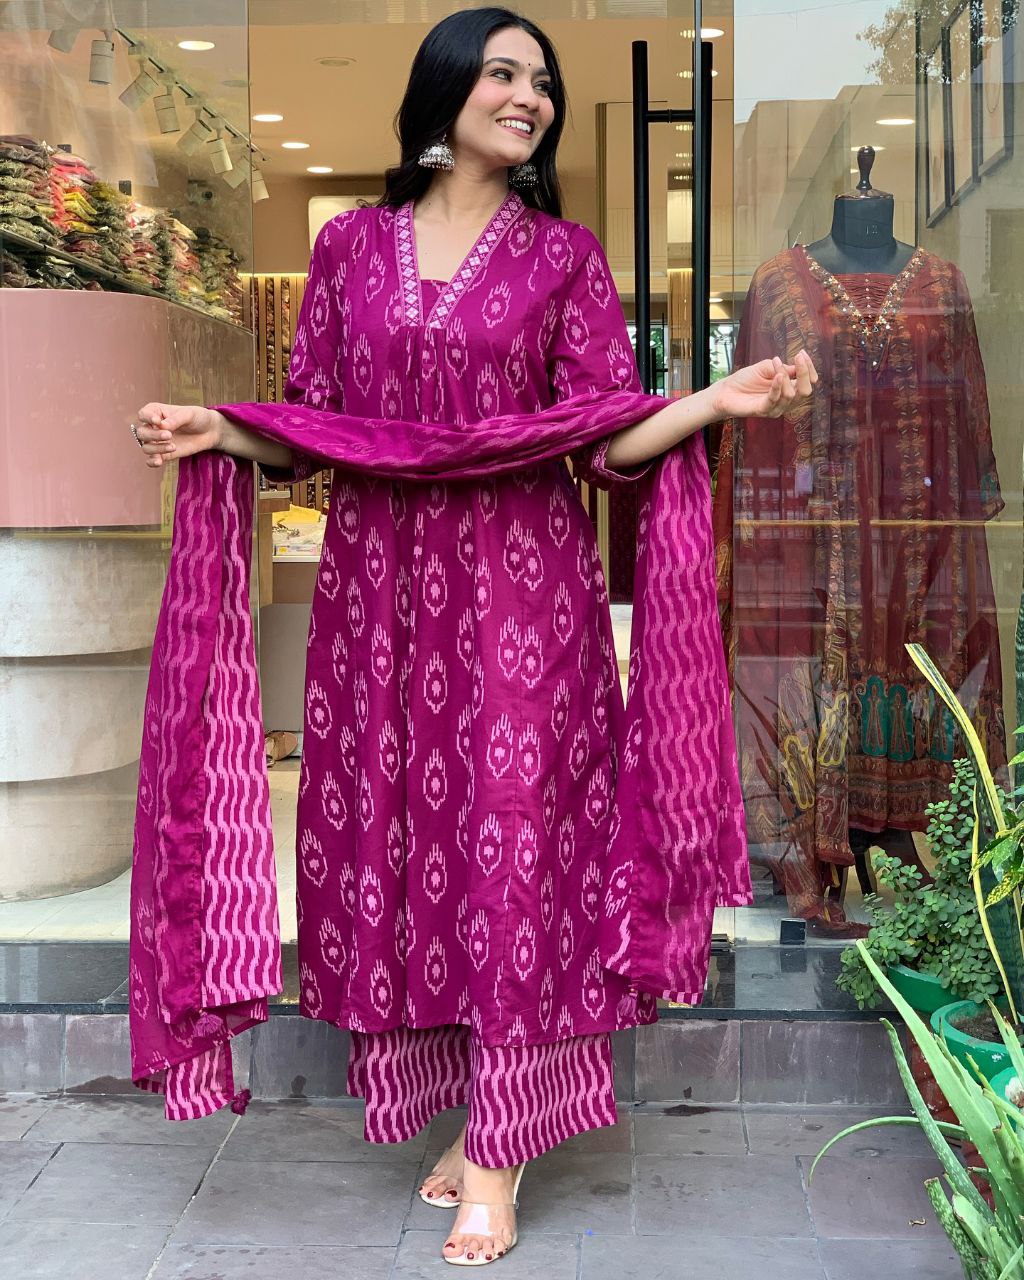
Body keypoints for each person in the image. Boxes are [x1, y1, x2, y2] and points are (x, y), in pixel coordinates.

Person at [132, 8, 816, 1267]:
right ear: (445, 87)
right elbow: (315, 420)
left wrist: (712, 401)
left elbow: (601, 438)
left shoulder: (563, 257)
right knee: (406, 845)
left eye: (541, 83)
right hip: (376, 607)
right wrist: (219, 429)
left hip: (521, 598)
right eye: (504, 73)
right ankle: (467, 1108)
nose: (529, 98)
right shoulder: (348, 246)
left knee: (517, 854)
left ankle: (499, 1144)